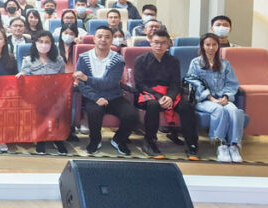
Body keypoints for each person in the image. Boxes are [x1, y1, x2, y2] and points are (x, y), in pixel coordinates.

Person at [134, 27, 199, 159]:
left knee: (186, 107)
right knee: (153, 105)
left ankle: (191, 143)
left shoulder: (173, 61)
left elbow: (175, 83)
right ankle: (150, 142)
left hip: (169, 93)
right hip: (148, 93)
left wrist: (169, 97)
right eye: (156, 42)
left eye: (163, 43)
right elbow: (140, 84)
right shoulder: (140, 60)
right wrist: (159, 97)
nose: (159, 46)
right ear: (150, 42)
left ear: (169, 44)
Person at [73, 26, 138, 155]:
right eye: (100, 36)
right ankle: (95, 140)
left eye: (107, 37)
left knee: (131, 114)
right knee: (94, 111)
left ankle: (119, 139)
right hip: (93, 96)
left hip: (114, 96)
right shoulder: (84, 58)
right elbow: (81, 85)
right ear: (94, 39)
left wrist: (87, 78)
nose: (103, 40)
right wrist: (96, 98)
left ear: (112, 40)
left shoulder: (118, 60)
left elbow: (109, 83)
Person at [186, 32, 247, 163]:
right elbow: (194, 83)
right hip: (203, 100)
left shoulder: (225, 64)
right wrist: (210, 98)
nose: (211, 47)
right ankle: (221, 144)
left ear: (218, 46)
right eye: (208, 44)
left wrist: (226, 96)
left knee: (235, 111)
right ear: (202, 46)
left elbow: (232, 83)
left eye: (214, 44)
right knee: (218, 110)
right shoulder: (195, 63)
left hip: (222, 99)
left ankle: (234, 145)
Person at [21, 30, 69, 155]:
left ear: (52, 44)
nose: (43, 44)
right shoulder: (28, 60)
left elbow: (63, 79)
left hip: (54, 95)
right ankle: (40, 139)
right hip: (36, 96)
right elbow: (25, 80)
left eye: (47, 42)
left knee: (59, 106)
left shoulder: (58, 60)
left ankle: (57, 139)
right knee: (40, 106)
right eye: (40, 41)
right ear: (35, 43)